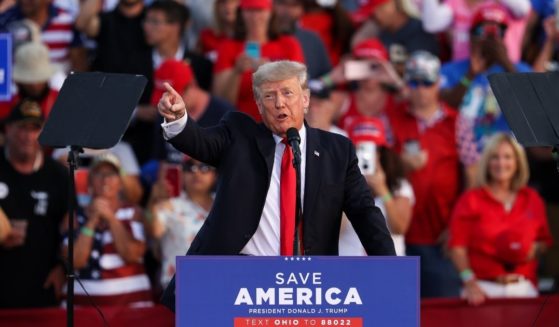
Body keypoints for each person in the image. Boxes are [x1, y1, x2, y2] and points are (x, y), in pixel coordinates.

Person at [157, 60, 396, 310]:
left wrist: (390, 270)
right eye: (269, 96)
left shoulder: (337, 151)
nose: (279, 103)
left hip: (308, 287)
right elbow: (200, 142)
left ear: (305, 99)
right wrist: (178, 120)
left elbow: (365, 213)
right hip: (239, 281)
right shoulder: (239, 136)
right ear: (259, 106)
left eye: (287, 93)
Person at [389, 51, 462, 297]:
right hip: (397, 235)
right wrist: (402, 165)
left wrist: (458, 226)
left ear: (439, 83)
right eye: (414, 82)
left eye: (427, 82)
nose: (420, 89)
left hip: (441, 236)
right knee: (396, 313)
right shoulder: (391, 118)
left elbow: (473, 178)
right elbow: (375, 170)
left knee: (444, 316)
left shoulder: (457, 122)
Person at [448, 133, 553, 305]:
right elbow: (457, 248)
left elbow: (544, 241)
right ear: (487, 162)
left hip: (523, 288)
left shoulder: (532, 199)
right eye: (495, 157)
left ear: (518, 162)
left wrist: (532, 249)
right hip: (484, 290)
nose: (501, 163)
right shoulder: (471, 200)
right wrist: (469, 282)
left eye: (507, 157)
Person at [439, 4, 532, 187]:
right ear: (471, 36)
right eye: (484, 30)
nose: (490, 37)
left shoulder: (520, 71)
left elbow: (534, 112)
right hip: (463, 168)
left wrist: (506, 64)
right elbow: (442, 110)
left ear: (505, 36)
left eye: (498, 30)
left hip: (507, 167)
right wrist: (471, 74)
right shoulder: (451, 71)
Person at [0, 100, 69, 308]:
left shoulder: (58, 174)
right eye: (22, 128)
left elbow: (71, 225)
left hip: (43, 287)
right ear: (8, 129)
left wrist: (63, 267)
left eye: (34, 129)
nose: (28, 136)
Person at [63, 153, 153, 306]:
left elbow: (132, 255)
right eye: (99, 174)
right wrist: (91, 222)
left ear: (120, 182)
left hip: (132, 308)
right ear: (90, 182)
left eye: (111, 174)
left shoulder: (134, 212)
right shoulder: (73, 216)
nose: (105, 180)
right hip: (83, 310)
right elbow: (74, 262)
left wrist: (111, 218)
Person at [212, 0, 305, 121]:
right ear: (242, 13)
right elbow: (220, 100)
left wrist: (272, 73)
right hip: (240, 124)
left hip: (280, 122)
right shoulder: (228, 47)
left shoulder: (288, 44)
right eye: (250, 11)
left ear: (270, 12)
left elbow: (300, 90)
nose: (255, 17)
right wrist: (236, 72)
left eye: (260, 11)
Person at [339, 117, 414, 256]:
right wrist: (349, 187)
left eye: (373, 148)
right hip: (347, 266)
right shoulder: (337, 181)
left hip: (386, 267)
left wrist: (383, 190)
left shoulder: (399, 185)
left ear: (382, 152)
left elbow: (399, 228)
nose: (366, 155)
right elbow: (335, 229)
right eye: (360, 148)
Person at [146, 158, 217, 289]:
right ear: (181, 173)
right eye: (189, 167)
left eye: (205, 167)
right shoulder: (169, 205)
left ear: (216, 174)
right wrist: (153, 201)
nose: (197, 173)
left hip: (218, 282)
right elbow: (154, 231)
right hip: (179, 287)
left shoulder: (225, 205)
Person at [0, 0, 87, 72]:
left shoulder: (67, 21)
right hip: (15, 88)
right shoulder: (4, 22)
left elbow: (79, 65)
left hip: (59, 87)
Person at [273, 0, 332, 79]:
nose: (287, 11)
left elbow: (328, 77)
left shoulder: (313, 40)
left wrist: (327, 82)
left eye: (294, 5)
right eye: (282, 3)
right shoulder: (258, 38)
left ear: (302, 9)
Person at [0, 42, 59, 121]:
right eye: (29, 81)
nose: (34, 85)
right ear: (18, 82)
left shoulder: (63, 101)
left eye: (39, 79)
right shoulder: (5, 106)